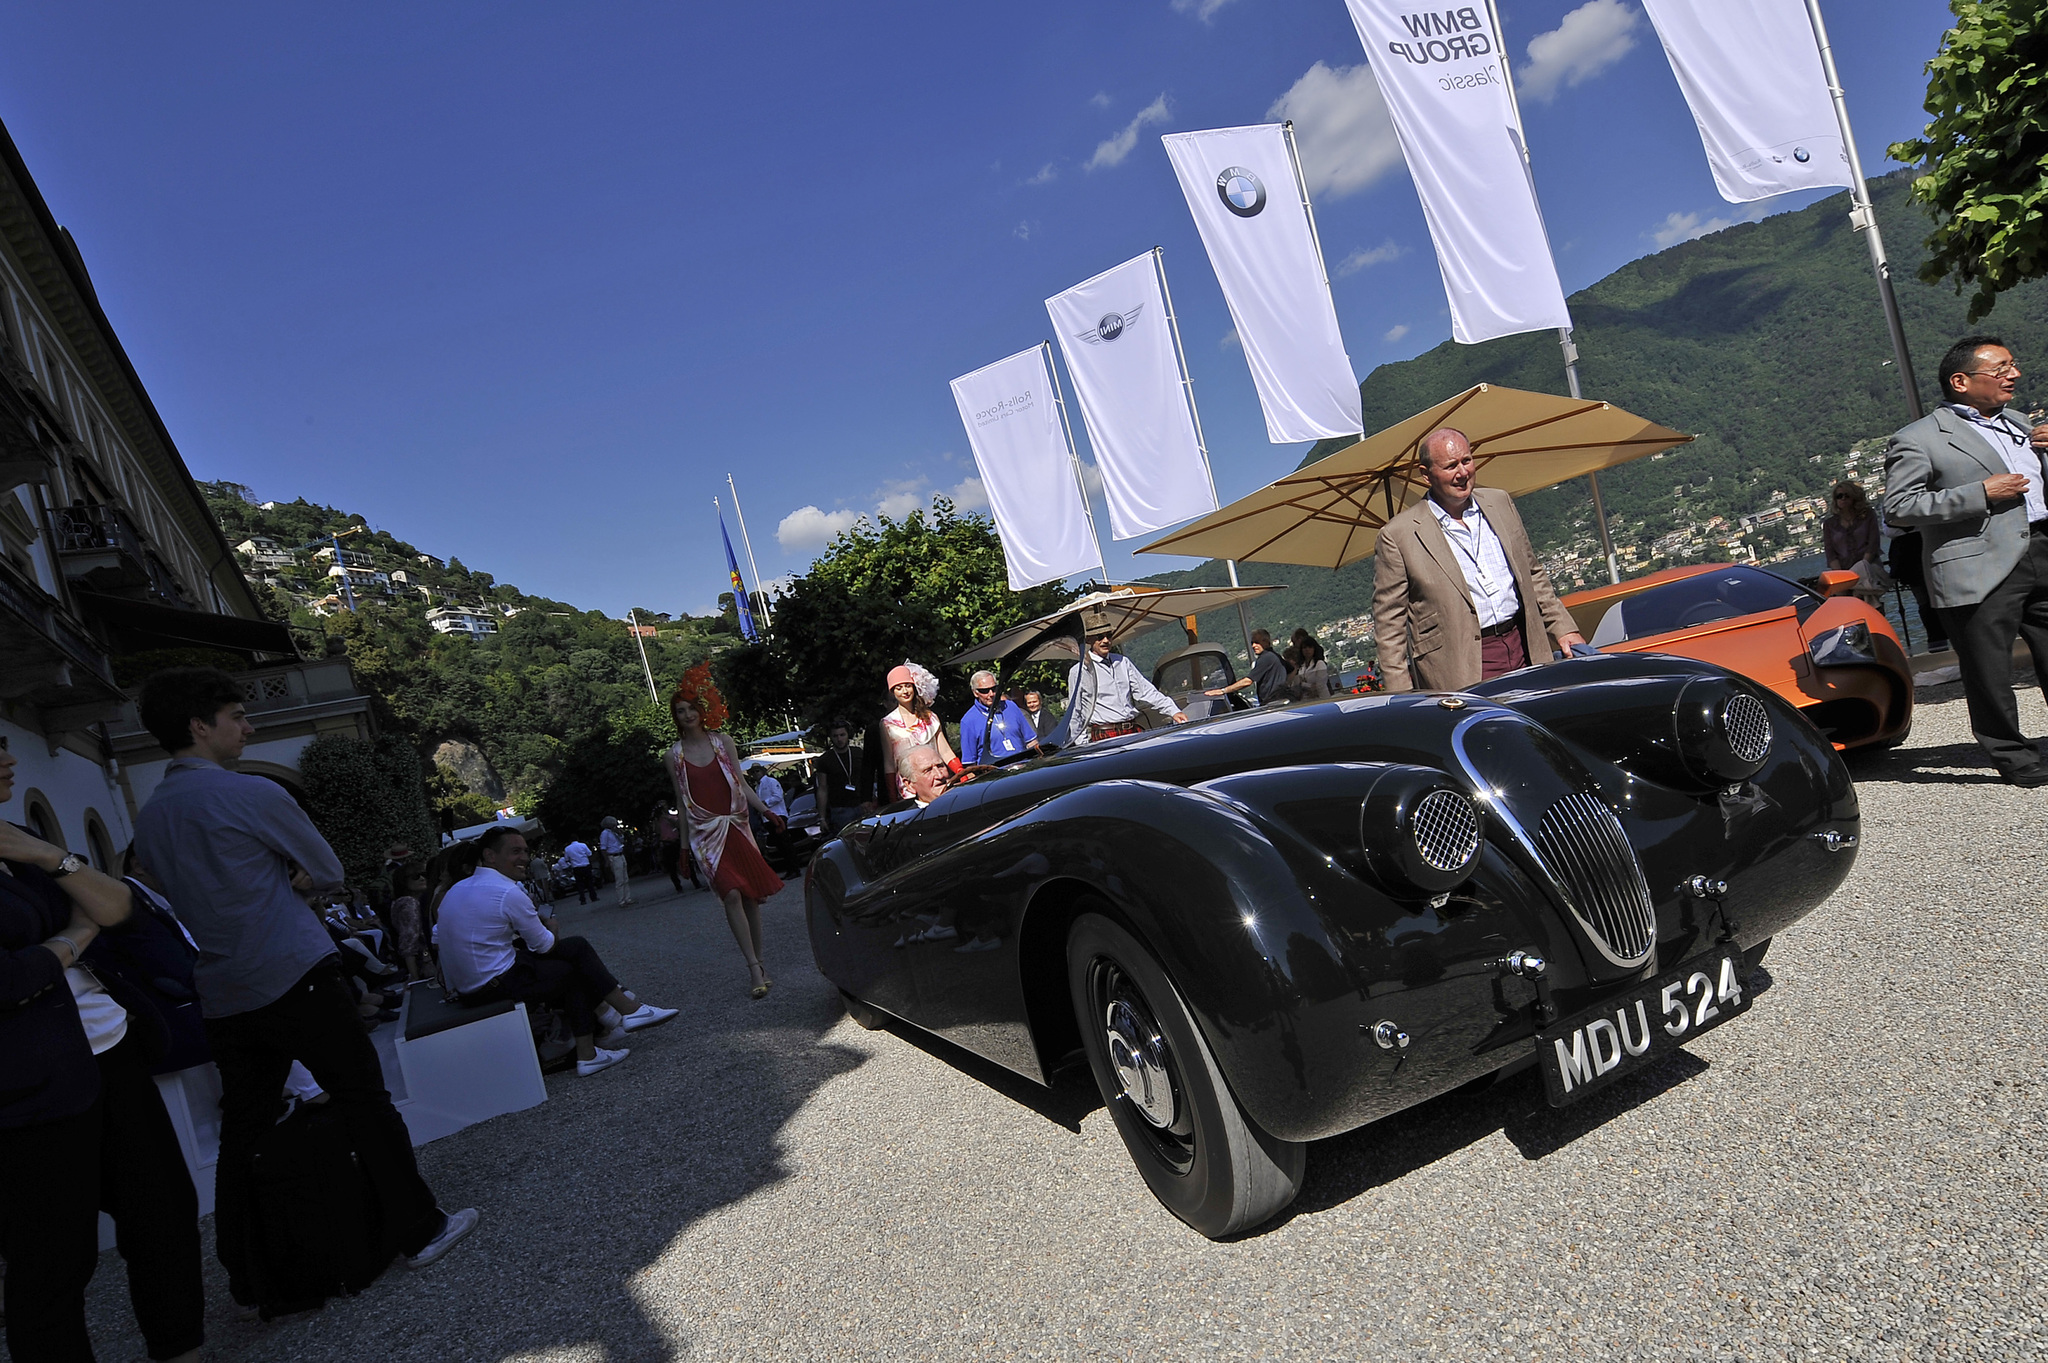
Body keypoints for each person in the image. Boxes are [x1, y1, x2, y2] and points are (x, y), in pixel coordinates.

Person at [130, 668, 478, 1305]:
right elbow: (325, 869)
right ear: (199, 726)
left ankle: (244, 1264)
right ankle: (420, 1227)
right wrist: (282, 880)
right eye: (237, 715)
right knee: (362, 1099)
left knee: (246, 1126)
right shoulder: (252, 793)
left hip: (222, 988)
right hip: (292, 970)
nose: (249, 725)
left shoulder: (150, 816)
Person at [0, 735, 205, 1363]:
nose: (9, 759)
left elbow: (117, 907)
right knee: (55, 1264)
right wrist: (72, 938)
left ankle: (181, 1350)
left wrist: (44, 853)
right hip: (27, 1089)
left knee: (164, 1214)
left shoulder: (13, 837)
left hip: (109, 1050)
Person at [1884, 334, 2048, 786]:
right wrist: (1979, 494)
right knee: (1988, 669)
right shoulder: (1917, 439)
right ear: (1961, 381)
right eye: (2000, 369)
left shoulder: (2018, 421)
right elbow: (1899, 507)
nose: (2013, 374)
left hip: (2041, 548)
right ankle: (2014, 756)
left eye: (2013, 365)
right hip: (1978, 566)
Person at [437, 826, 676, 1076]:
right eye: (515, 851)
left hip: (467, 987)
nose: (524, 858)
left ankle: (618, 1021)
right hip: (490, 985)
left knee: (572, 953)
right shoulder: (507, 892)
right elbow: (544, 945)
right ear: (489, 855)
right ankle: (610, 1031)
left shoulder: (457, 890)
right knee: (571, 967)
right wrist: (551, 926)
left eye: (526, 851)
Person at [1371, 427, 1585, 691]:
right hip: (1460, 667)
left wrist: (1563, 629)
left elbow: (1532, 574)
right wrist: (1403, 697)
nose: (1462, 473)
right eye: (1451, 466)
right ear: (1426, 475)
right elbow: (1388, 628)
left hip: (1524, 645)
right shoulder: (1398, 535)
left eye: (1467, 460)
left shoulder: (1500, 502)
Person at [664, 664, 785, 998]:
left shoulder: (723, 742)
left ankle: (759, 962)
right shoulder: (672, 755)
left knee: (750, 898)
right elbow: (682, 801)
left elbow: (742, 783)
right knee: (730, 892)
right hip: (705, 835)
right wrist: (684, 849)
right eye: (680, 711)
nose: (686, 714)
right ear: (675, 716)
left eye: (690, 708)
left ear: (702, 711)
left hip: (736, 825)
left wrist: (766, 810)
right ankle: (752, 968)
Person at [1064, 611, 1186, 745]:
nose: (1106, 640)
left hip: (1132, 729)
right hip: (1104, 735)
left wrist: (1173, 711)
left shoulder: (1123, 662)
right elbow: (1075, 711)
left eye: (1109, 636)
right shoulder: (1080, 671)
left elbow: (1146, 692)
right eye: (1100, 637)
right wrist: (1083, 744)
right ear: (1089, 640)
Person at [879, 661, 958, 800]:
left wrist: (961, 772)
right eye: (898, 688)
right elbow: (889, 762)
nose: (904, 691)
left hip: (937, 780)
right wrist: (892, 795)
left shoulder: (930, 717)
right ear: (892, 692)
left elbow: (945, 750)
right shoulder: (887, 724)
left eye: (908, 686)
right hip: (909, 787)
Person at [1825, 481, 1889, 603]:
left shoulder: (1868, 515)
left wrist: (1862, 567)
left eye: (1846, 495)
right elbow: (1830, 553)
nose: (1843, 499)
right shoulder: (1830, 524)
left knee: (1865, 587)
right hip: (1843, 571)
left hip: (1868, 567)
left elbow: (1873, 543)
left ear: (1854, 497)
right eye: (1839, 496)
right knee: (1844, 596)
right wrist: (1843, 575)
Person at [959, 670, 1040, 765]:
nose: (991, 694)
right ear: (975, 693)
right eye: (985, 691)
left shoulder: (1011, 707)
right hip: (995, 774)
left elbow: (1031, 742)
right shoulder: (968, 721)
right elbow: (970, 763)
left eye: (994, 689)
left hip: (1023, 768)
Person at [817, 720, 877, 833]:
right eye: (835, 736)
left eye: (842, 735)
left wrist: (872, 799)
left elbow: (868, 778)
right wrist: (822, 818)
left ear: (847, 735)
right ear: (831, 737)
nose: (839, 739)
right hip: (840, 809)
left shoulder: (858, 753)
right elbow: (822, 788)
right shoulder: (825, 760)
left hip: (863, 805)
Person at [1205, 629, 1291, 707]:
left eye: (1257, 642)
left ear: (1266, 642)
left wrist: (1223, 691)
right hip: (1279, 701)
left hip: (1272, 704)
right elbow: (1292, 670)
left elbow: (1248, 681)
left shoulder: (1266, 658)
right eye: (1252, 643)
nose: (1253, 646)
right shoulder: (1276, 656)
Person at [882, 745, 951, 812]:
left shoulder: (961, 801)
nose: (940, 775)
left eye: (940, 766)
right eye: (928, 770)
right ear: (910, 785)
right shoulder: (909, 821)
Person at [390, 867, 428, 981]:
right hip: (423, 961)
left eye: (423, 874)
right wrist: (415, 977)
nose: (422, 878)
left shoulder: (408, 901)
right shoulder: (409, 904)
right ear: (403, 881)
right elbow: (408, 942)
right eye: (415, 876)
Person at [598, 817, 634, 907]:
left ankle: (627, 898)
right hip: (614, 856)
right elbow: (603, 848)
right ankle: (621, 900)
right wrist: (607, 860)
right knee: (619, 880)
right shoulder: (605, 833)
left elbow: (621, 840)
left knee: (625, 878)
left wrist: (619, 833)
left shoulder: (614, 832)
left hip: (620, 855)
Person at [1292, 634, 1334, 701]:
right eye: (1304, 648)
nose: (1307, 650)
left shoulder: (1319, 664)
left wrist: (1303, 684)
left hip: (1322, 699)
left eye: (1310, 647)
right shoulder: (1301, 667)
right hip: (1307, 700)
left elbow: (1319, 686)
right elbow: (1296, 685)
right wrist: (1308, 686)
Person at [557, 835, 597, 904]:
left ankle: (583, 899)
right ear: (577, 839)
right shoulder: (583, 845)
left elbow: (566, 859)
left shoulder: (567, 849)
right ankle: (593, 897)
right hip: (585, 865)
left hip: (576, 868)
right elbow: (589, 854)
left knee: (579, 884)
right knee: (589, 882)